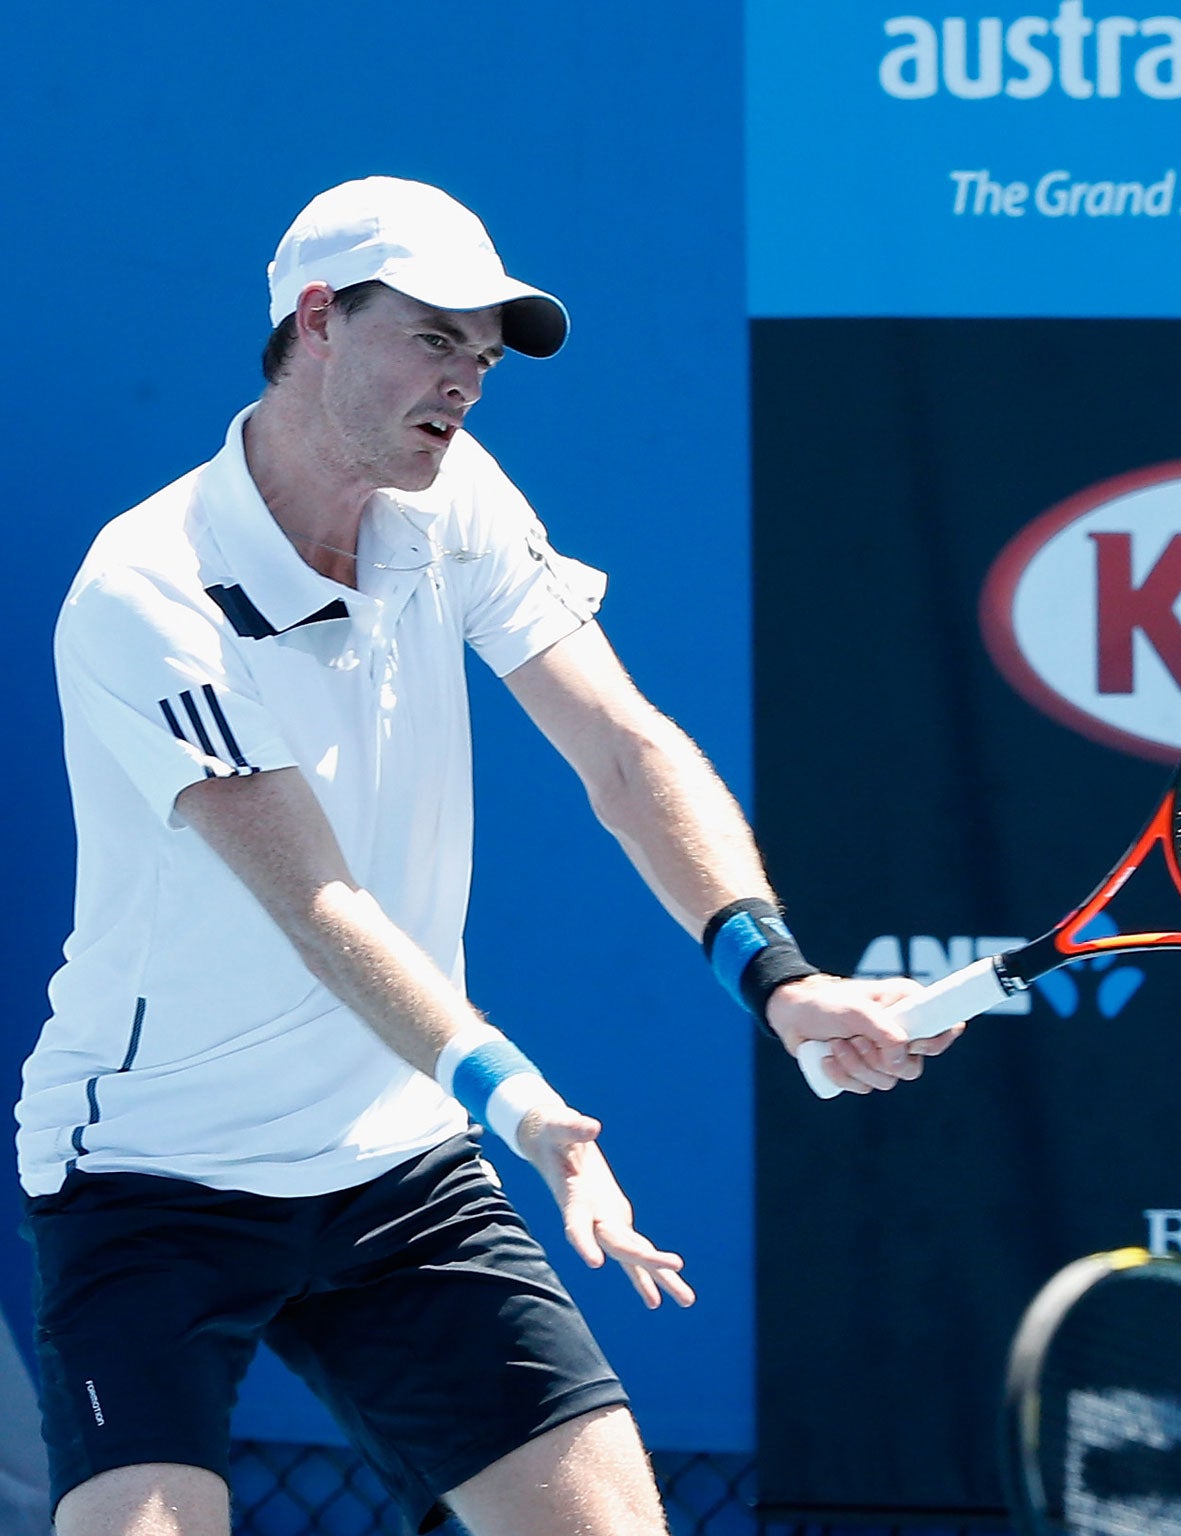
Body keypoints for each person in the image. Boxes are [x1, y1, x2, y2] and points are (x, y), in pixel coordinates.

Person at [17, 175, 947, 1536]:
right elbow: (316, 900)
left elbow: (625, 749)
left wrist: (779, 976)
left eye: (485, 357)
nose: (467, 383)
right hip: (155, 1177)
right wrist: (525, 1111)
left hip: (396, 1165)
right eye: (437, 339)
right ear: (318, 318)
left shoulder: (454, 503)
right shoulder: (148, 588)